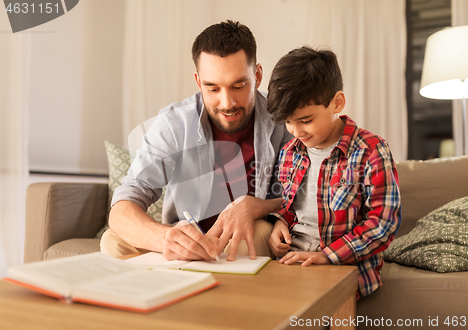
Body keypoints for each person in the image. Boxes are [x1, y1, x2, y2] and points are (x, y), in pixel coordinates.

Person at [101, 20, 292, 262]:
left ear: (257, 75)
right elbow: (122, 206)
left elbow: (298, 196)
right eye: (213, 88)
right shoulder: (174, 124)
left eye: (238, 86)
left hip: (245, 238)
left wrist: (256, 206)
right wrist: (166, 239)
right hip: (185, 241)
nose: (227, 103)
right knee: (113, 240)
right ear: (198, 81)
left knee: (259, 233)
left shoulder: (284, 122)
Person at [266, 46, 401, 298]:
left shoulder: (371, 151)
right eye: (287, 122)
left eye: (305, 120)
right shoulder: (290, 152)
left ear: (336, 102)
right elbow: (291, 205)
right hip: (292, 259)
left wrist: (327, 257)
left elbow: (383, 224)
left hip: (343, 264)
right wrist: (279, 223)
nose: (296, 131)